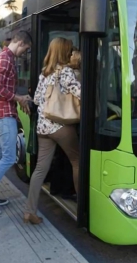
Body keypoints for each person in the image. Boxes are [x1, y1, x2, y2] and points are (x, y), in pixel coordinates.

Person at [23, 37, 81, 225]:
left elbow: (38, 100)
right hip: (61, 126)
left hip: (43, 127)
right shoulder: (66, 72)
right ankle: (83, 207)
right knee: (77, 162)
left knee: (40, 169)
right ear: (65, 52)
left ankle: (29, 211)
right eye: (70, 50)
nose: (72, 52)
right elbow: (81, 94)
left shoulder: (44, 73)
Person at [0, 31, 32, 215]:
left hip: (3, 114)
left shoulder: (5, 58)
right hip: (4, 115)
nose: (24, 53)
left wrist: (18, 99)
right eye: (25, 49)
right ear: (20, 43)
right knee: (8, 157)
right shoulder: (5, 59)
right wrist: (18, 98)